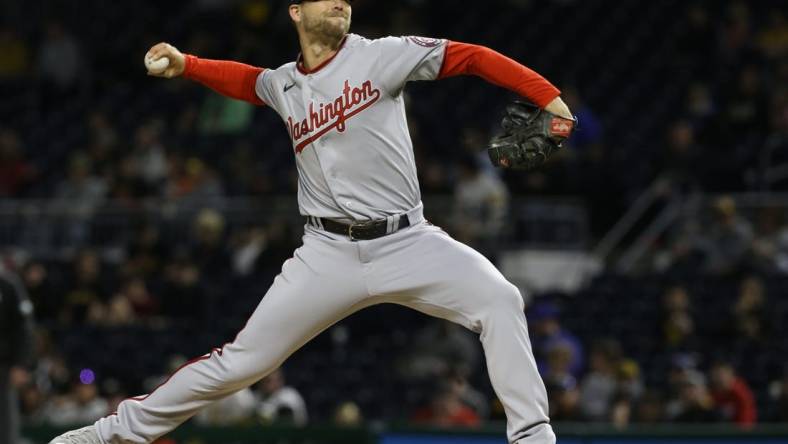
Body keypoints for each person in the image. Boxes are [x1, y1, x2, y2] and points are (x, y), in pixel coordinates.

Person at [49, 1, 573, 443]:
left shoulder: (381, 55)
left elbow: (472, 57)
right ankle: (111, 433)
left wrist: (545, 94)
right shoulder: (287, 84)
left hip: (408, 240)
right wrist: (188, 64)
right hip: (327, 254)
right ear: (297, 12)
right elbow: (251, 82)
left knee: (501, 299)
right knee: (241, 363)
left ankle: (533, 436)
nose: (342, 2)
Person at [1, 265, 36, 444]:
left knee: (5, 422)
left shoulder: (8, 283)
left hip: (3, 365)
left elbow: (23, 327)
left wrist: (21, 364)